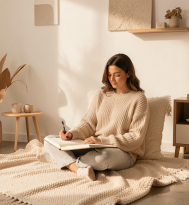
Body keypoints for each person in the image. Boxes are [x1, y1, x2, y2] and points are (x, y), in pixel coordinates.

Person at [43, 53, 150, 181]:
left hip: (121, 151)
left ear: (128, 74)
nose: (112, 79)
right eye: (109, 75)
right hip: (95, 146)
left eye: (117, 75)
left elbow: (136, 137)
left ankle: (61, 159)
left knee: (103, 158)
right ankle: (77, 168)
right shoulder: (102, 94)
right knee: (49, 139)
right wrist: (71, 134)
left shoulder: (139, 99)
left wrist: (102, 141)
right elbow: (88, 123)